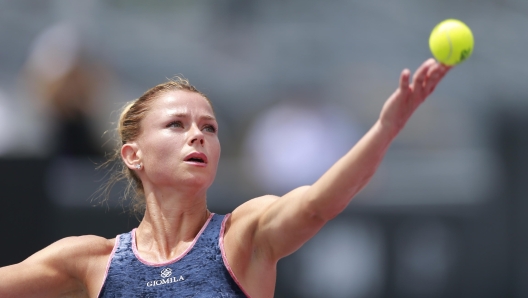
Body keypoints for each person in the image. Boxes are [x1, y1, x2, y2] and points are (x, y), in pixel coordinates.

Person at [0, 58, 450, 297]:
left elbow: (316, 205)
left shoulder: (242, 235)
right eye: (176, 125)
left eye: (209, 128)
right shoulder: (87, 262)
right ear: (133, 155)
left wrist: (385, 129)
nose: (197, 135)